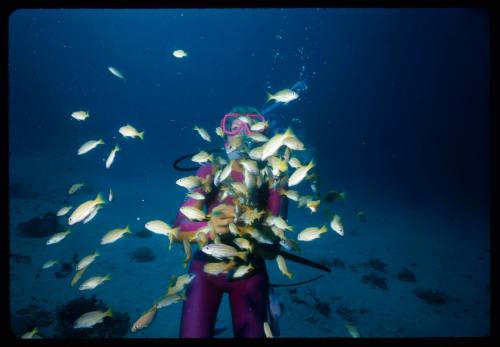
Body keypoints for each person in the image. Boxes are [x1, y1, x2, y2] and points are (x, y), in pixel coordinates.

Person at [172, 106, 285, 338]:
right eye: (234, 128)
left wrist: (252, 230)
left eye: (250, 128)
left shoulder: (273, 178)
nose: (242, 134)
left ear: (260, 136)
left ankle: (270, 307)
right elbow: (176, 230)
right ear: (224, 134)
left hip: (249, 274)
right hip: (205, 270)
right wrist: (208, 226)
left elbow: (274, 248)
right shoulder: (209, 170)